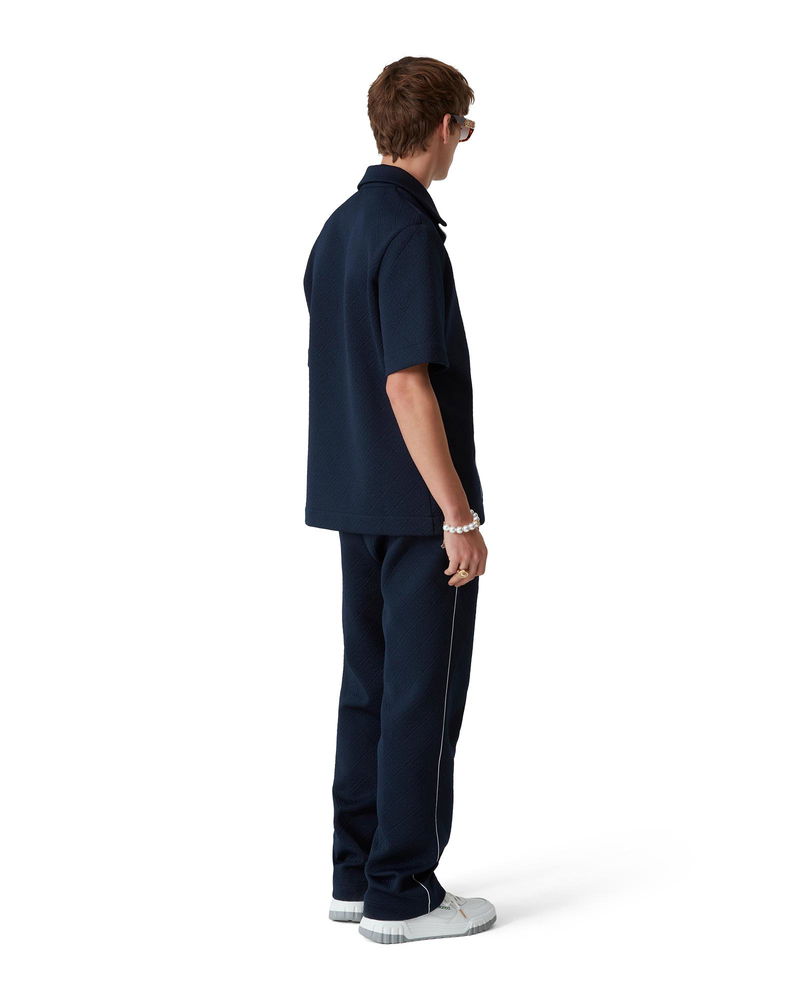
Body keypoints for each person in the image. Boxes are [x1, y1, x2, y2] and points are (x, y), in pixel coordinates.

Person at [303, 56, 495, 944]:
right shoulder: (409, 234)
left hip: (356, 499)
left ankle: (355, 873)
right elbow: (405, 384)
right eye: (465, 126)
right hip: (419, 513)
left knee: (370, 691)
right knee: (422, 696)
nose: (463, 142)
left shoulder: (339, 228)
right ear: (442, 126)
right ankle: (403, 891)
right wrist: (458, 516)